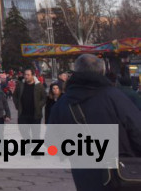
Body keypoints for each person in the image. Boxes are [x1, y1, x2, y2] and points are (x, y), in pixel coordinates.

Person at [49, 54, 141, 191]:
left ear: (75, 72)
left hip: (85, 175)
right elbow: (137, 129)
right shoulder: (114, 97)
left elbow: (52, 145)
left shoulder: (62, 104)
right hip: (122, 172)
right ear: (101, 71)